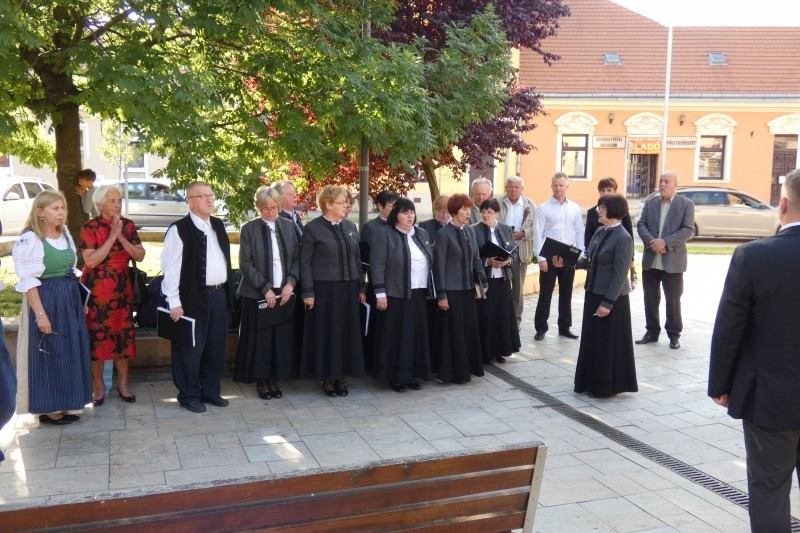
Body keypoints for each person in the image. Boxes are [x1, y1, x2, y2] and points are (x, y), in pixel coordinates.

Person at [708, 168, 800, 532]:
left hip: (770, 398)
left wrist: (720, 385)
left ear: (783, 204)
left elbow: (730, 328)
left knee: (768, 489)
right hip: (771, 396)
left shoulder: (754, 256)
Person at [12, 190, 92, 424]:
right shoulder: (30, 239)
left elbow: (71, 270)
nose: (61, 212)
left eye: (63, 208)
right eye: (55, 208)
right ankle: (49, 408)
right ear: (40, 212)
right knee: (50, 351)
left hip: (68, 299)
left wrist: (79, 301)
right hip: (46, 299)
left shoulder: (64, 233)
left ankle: (65, 402)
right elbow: (29, 281)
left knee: (68, 351)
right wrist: (40, 315)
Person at [161, 181, 233, 413]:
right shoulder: (179, 229)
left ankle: (210, 391)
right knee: (189, 349)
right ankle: (189, 395)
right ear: (190, 202)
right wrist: (174, 302)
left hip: (219, 295)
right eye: (203, 196)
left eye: (211, 195)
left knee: (215, 347)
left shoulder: (218, 225)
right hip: (192, 298)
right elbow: (170, 269)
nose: (209, 199)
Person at [557, 194, 637, 398]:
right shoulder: (600, 231)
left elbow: (620, 274)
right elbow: (588, 261)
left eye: (602, 207)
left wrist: (607, 303)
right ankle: (589, 382)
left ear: (613, 211)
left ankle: (606, 386)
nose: (597, 211)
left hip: (612, 299)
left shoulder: (624, 238)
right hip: (593, 293)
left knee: (606, 342)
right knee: (593, 340)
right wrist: (566, 261)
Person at [79, 185, 145, 406]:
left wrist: (122, 238)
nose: (118, 204)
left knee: (122, 337)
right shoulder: (90, 227)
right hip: (97, 291)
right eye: (112, 201)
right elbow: (90, 261)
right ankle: (98, 386)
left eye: (119, 200)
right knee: (97, 338)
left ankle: (124, 384)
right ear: (100, 204)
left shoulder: (128, 225)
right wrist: (111, 237)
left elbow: (140, 255)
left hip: (122, 290)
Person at [300, 185, 366, 397]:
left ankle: (341, 375)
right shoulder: (313, 229)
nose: (347, 206)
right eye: (343, 202)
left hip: (348, 288)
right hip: (325, 290)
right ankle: (327, 376)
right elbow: (305, 262)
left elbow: (357, 258)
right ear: (328, 204)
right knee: (327, 332)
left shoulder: (350, 226)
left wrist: (361, 286)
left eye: (347, 202)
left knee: (346, 332)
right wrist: (308, 292)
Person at [234, 186, 300, 400]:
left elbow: (297, 258)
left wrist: (290, 283)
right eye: (265, 208)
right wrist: (265, 288)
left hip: (284, 291)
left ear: (279, 206)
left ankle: (274, 378)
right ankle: (262, 380)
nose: (270, 212)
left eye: (273, 208)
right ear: (258, 208)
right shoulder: (249, 229)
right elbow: (245, 263)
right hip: (258, 293)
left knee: (279, 337)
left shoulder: (288, 226)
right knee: (261, 339)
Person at [370, 198, 433, 392]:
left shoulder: (421, 233)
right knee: (396, 337)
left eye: (412, 212)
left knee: (415, 336)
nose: (410, 216)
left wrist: (431, 289)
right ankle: (395, 377)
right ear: (395, 215)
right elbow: (377, 265)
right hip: (394, 294)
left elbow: (429, 262)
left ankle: (411, 374)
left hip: (418, 294)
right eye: (405, 212)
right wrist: (380, 293)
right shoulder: (384, 234)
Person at [635, 171, 694, 349]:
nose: (662, 184)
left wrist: (665, 242)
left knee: (673, 301)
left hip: (673, 262)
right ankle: (652, 332)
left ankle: (674, 335)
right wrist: (652, 242)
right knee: (650, 299)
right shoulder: (650, 203)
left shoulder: (686, 204)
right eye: (660, 181)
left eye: (666, 181)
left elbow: (687, 230)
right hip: (651, 260)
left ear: (675, 185)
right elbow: (641, 224)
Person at [433, 194, 487, 384]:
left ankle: (468, 368)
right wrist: (442, 295)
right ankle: (452, 373)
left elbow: (476, 260)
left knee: (469, 328)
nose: (468, 212)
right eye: (464, 209)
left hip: (468, 289)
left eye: (469, 209)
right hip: (451, 291)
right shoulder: (443, 234)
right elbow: (438, 267)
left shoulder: (470, 231)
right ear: (454, 211)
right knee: (453, 331)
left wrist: (483, 283)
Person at [533, 172, 585, 340]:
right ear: (551, 186)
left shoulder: (575, 208)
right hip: (549, 255)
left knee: (566, 294)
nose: (558, 188)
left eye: (561, 185)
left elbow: (579, 232)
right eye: (555, 185)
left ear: (567, 186)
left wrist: (580, 254)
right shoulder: (543, 208)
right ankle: (541, 328)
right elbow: (537, 234)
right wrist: (541, 258)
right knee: (545, 294)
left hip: (568, 255)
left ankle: (564, 327)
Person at [473, 199, 520, 364]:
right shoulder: (474, 230)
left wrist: (508, 261)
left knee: (501, 314)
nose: (486, 215)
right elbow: (472, 256)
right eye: (483, 212)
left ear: (497, 214)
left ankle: (500, 350)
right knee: (486, 315)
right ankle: (485, 352)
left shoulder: (506, 229)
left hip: (502, 279)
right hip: (485, 280)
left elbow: (514, 253)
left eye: (489, 212)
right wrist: (487, 261)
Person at [499, 176, 536, 329]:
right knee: (500, 286)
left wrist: (524, 233)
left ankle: (515, 321)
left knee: (517, 288)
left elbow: (537, 228)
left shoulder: (530, 205)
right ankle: (501, 318)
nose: (513, 190)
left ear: (522, 189)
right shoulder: (497, 203)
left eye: (516, 187)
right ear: (505, 188)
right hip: (501, 248)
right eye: (510, 187)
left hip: (520, 250)